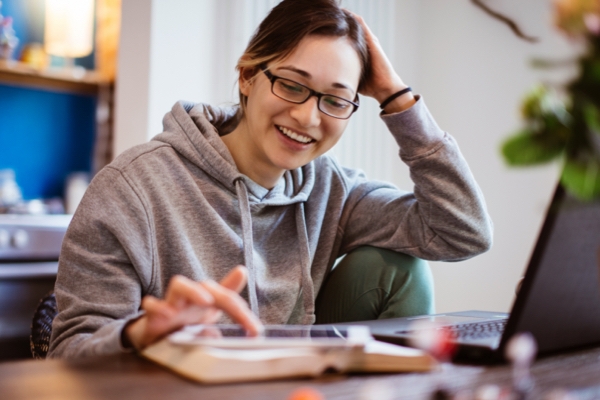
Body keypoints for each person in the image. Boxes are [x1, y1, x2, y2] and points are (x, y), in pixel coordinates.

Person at [48, 0, 493, 358]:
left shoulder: (330, 189)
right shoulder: (132, 188)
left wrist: (398, 100)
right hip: (180, 387)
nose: (307, 116)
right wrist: (141, 334)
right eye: (292, 85)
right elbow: (68, 353)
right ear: (246, 77)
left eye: (335, 100)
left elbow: (462, 232)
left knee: (399, 268)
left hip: (295, 385)